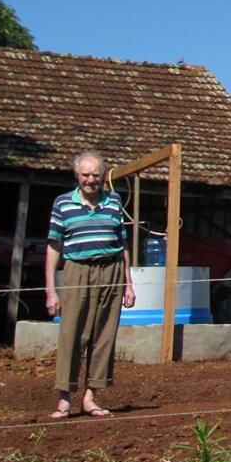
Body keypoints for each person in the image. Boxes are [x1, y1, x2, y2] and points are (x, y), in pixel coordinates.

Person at [44, 152, 135, 418]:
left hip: (111, 271)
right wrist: (51, 290)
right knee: (72, 334)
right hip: (77, 270)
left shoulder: (114, 202)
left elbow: (123, 245)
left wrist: (128, 284)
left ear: (102, 176)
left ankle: (91, 397)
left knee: (104, 335)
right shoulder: (63, 204)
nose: (90, 180)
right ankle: (64, 398)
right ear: (77, 176)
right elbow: (53, 247)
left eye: (95, 175)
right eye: (85, 175)